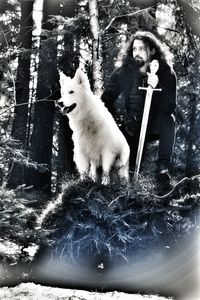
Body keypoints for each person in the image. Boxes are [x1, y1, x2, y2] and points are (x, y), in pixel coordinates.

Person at [101, 31, 177, 187]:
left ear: (153, 51)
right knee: (132, 172)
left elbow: (169, 107)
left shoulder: (166, 73)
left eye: (142, 49)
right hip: (132, 126)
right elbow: (106, 100)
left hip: (154, 125)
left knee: (169, 120)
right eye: (135, 49)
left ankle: (163, 168)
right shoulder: (124, 72)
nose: (137, 53)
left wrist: (157, 85)